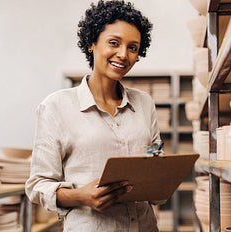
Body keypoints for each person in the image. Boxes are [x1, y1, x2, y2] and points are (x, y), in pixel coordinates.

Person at [25, 0, 162, 231]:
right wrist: (81, 196)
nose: (123, 55)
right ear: (92, 43)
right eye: (114, 43)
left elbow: (154, 150)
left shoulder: (145, 103)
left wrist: (158, 162)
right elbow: (38, 186)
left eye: (132, 47)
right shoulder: (56, 107)